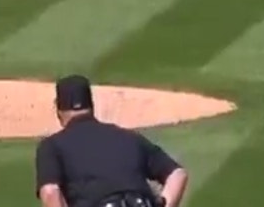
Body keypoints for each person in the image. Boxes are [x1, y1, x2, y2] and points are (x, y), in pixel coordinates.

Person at [35, 75, 189, 207]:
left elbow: (50, 192)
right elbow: (177, 174)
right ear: (91, 105)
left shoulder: (52, 146)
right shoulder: (129, 137)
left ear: (58, 109)